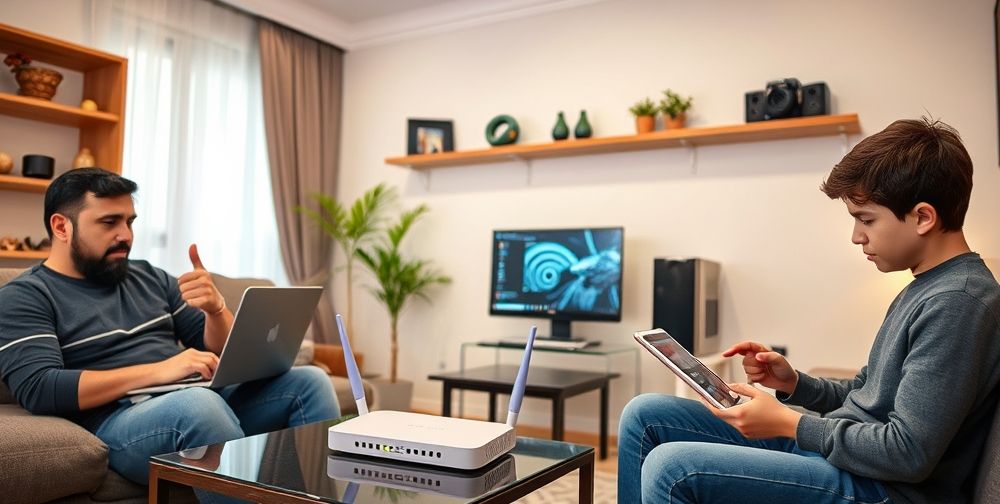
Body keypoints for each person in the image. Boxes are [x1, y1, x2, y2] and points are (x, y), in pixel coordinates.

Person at [618, 118, 1000, 504]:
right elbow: (866, 393)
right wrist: (794, 384)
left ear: (922, 217)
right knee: (644, 413)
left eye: (866, 219)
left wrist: (790, 424)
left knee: (673, 468)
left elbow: (907, 453)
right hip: (851, 462)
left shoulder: (958, 303)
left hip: (886, 490)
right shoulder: (924, 287)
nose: (857, 236)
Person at [0, 168, 340, 484]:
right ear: (61, 227)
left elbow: (219, 349)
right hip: (121, 422)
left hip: (195, 399)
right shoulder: (26, 296)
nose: (125, 235)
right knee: (198, 406)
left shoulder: (149, 276)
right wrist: (159, 371)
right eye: (109, 222)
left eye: (130, 221)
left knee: (310, 381)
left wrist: (216, 309)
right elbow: (40, 389)